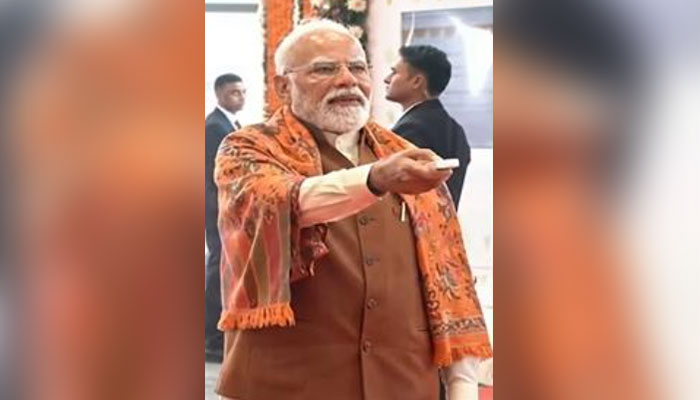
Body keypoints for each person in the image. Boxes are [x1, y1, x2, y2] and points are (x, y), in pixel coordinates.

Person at [214, 19, 491, 400]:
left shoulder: (403, 153)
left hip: (404, 383)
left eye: (358, 68)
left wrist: (462, 387)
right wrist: (374, 180)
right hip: (287, 384)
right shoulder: (247, 148)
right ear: (283, 86)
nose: (347, 80)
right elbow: (281, 198)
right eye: (325, 69)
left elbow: (452, 276)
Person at [385, 45, 471, 208]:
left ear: (417, 81)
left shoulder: (411, 129)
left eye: (394, 72)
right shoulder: (455, 129)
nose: (387, 79)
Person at [205, 73, 246, 363]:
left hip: (227, 205)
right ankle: (211, 336)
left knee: (224, 264)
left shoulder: (231, 124)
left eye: (243, 92)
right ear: (219, 94)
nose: (240, 97)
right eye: (234, 93)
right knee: (218, 264)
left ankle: (216, 332)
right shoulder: (214, 127)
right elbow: (211, 173)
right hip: (217, 206)